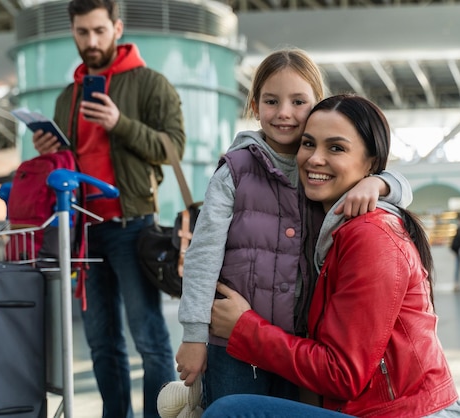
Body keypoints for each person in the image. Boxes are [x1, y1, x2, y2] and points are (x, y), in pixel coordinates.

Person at [205, 94, 460, 418]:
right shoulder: (331, 231)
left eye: (336, 148)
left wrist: (243, 327)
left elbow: (342, 373)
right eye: (308, 144)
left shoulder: (371, 236)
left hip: (406, 413)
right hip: (376, 410)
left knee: (230, 413)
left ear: (371, 163)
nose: (315, 159)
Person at [175, 50, 413, 407]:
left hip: (298, 346)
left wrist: (378, 184)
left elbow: (404, 190)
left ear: (317, 106)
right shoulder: (236, 171)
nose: (284, 113)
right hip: (232, 344)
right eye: (271, 101)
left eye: (298, 101)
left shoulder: (322, 170)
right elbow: (203, 253)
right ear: (255, 106)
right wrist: (194, 335)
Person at [31, 1, 186, 416]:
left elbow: (173, 149)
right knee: (101, 342)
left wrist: (120, 123)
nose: (91, 41)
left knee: (149, 339)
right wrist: (48, 151)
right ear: (74, 32)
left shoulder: (152, 84)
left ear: (117, 28)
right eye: (82, 32)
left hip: (132, 225)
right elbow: (69, 162)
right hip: (82, 230)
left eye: (99, 30)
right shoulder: (69, 95)